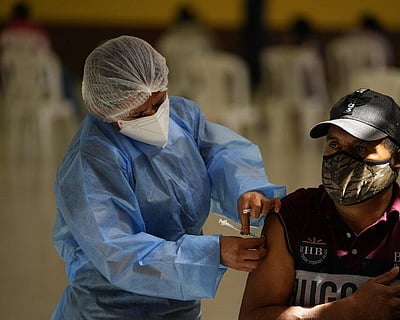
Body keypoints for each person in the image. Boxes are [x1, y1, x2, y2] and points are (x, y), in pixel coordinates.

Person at [51, 35, 286, 319]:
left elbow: (222, 154)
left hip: (179, 300)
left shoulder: (181, 116)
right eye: (138, 113)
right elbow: (120, 254)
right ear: (103, 110)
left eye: (159, 101)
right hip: (111, 308)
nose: (154, 116)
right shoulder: (92, 159)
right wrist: (213, 253)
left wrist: (248, 189)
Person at [239, 88, 400, 320]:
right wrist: (343, 311)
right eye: (334, 145)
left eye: (360, 148)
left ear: (398, 159)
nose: (341, 159)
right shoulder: (290, 217)